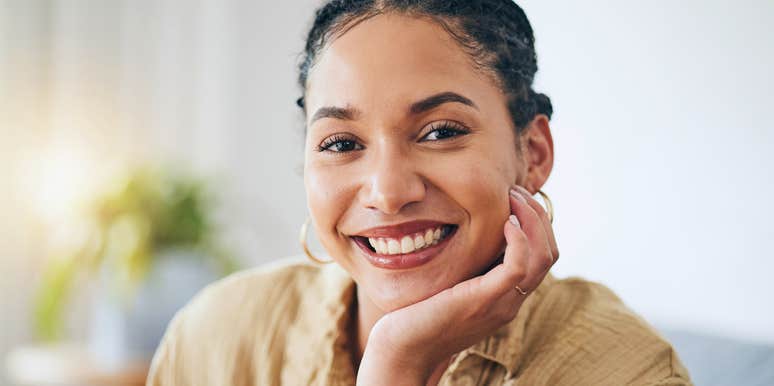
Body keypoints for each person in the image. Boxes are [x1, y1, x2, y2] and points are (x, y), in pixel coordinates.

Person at [146, 1, 692, 385]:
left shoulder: (625, 372)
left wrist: (395, 365)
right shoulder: (215, 337)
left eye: (441, 132)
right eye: (340, 142)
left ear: (533, 153)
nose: (387, 191)